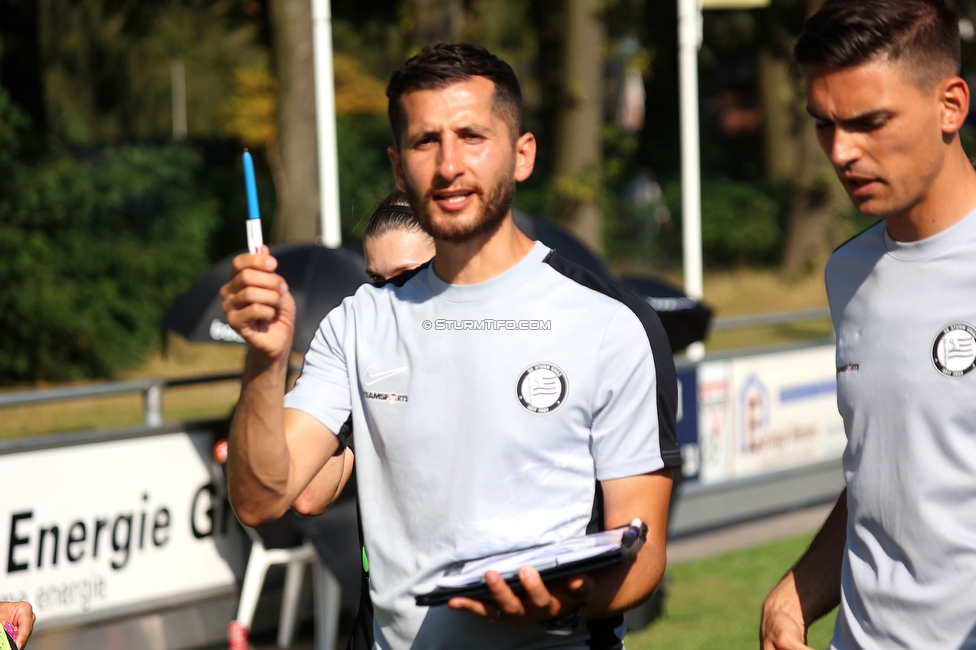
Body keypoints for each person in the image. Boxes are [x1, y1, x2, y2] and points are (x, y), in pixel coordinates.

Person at [221, 43, 679, 649]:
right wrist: (265, 358)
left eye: (471, 136)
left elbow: (642, 557)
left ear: (522, 155)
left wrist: (560, 609)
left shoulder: (608, 324)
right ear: (397, 166)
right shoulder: (359, 321)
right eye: (425, 142)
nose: (448, 165)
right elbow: (260, 498)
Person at [760, 2, 976, 649]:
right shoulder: (848, 273)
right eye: (824, 125)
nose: (842, 152)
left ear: (951, 104)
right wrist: (795, 594)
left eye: (869, 122)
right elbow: (888, 478)